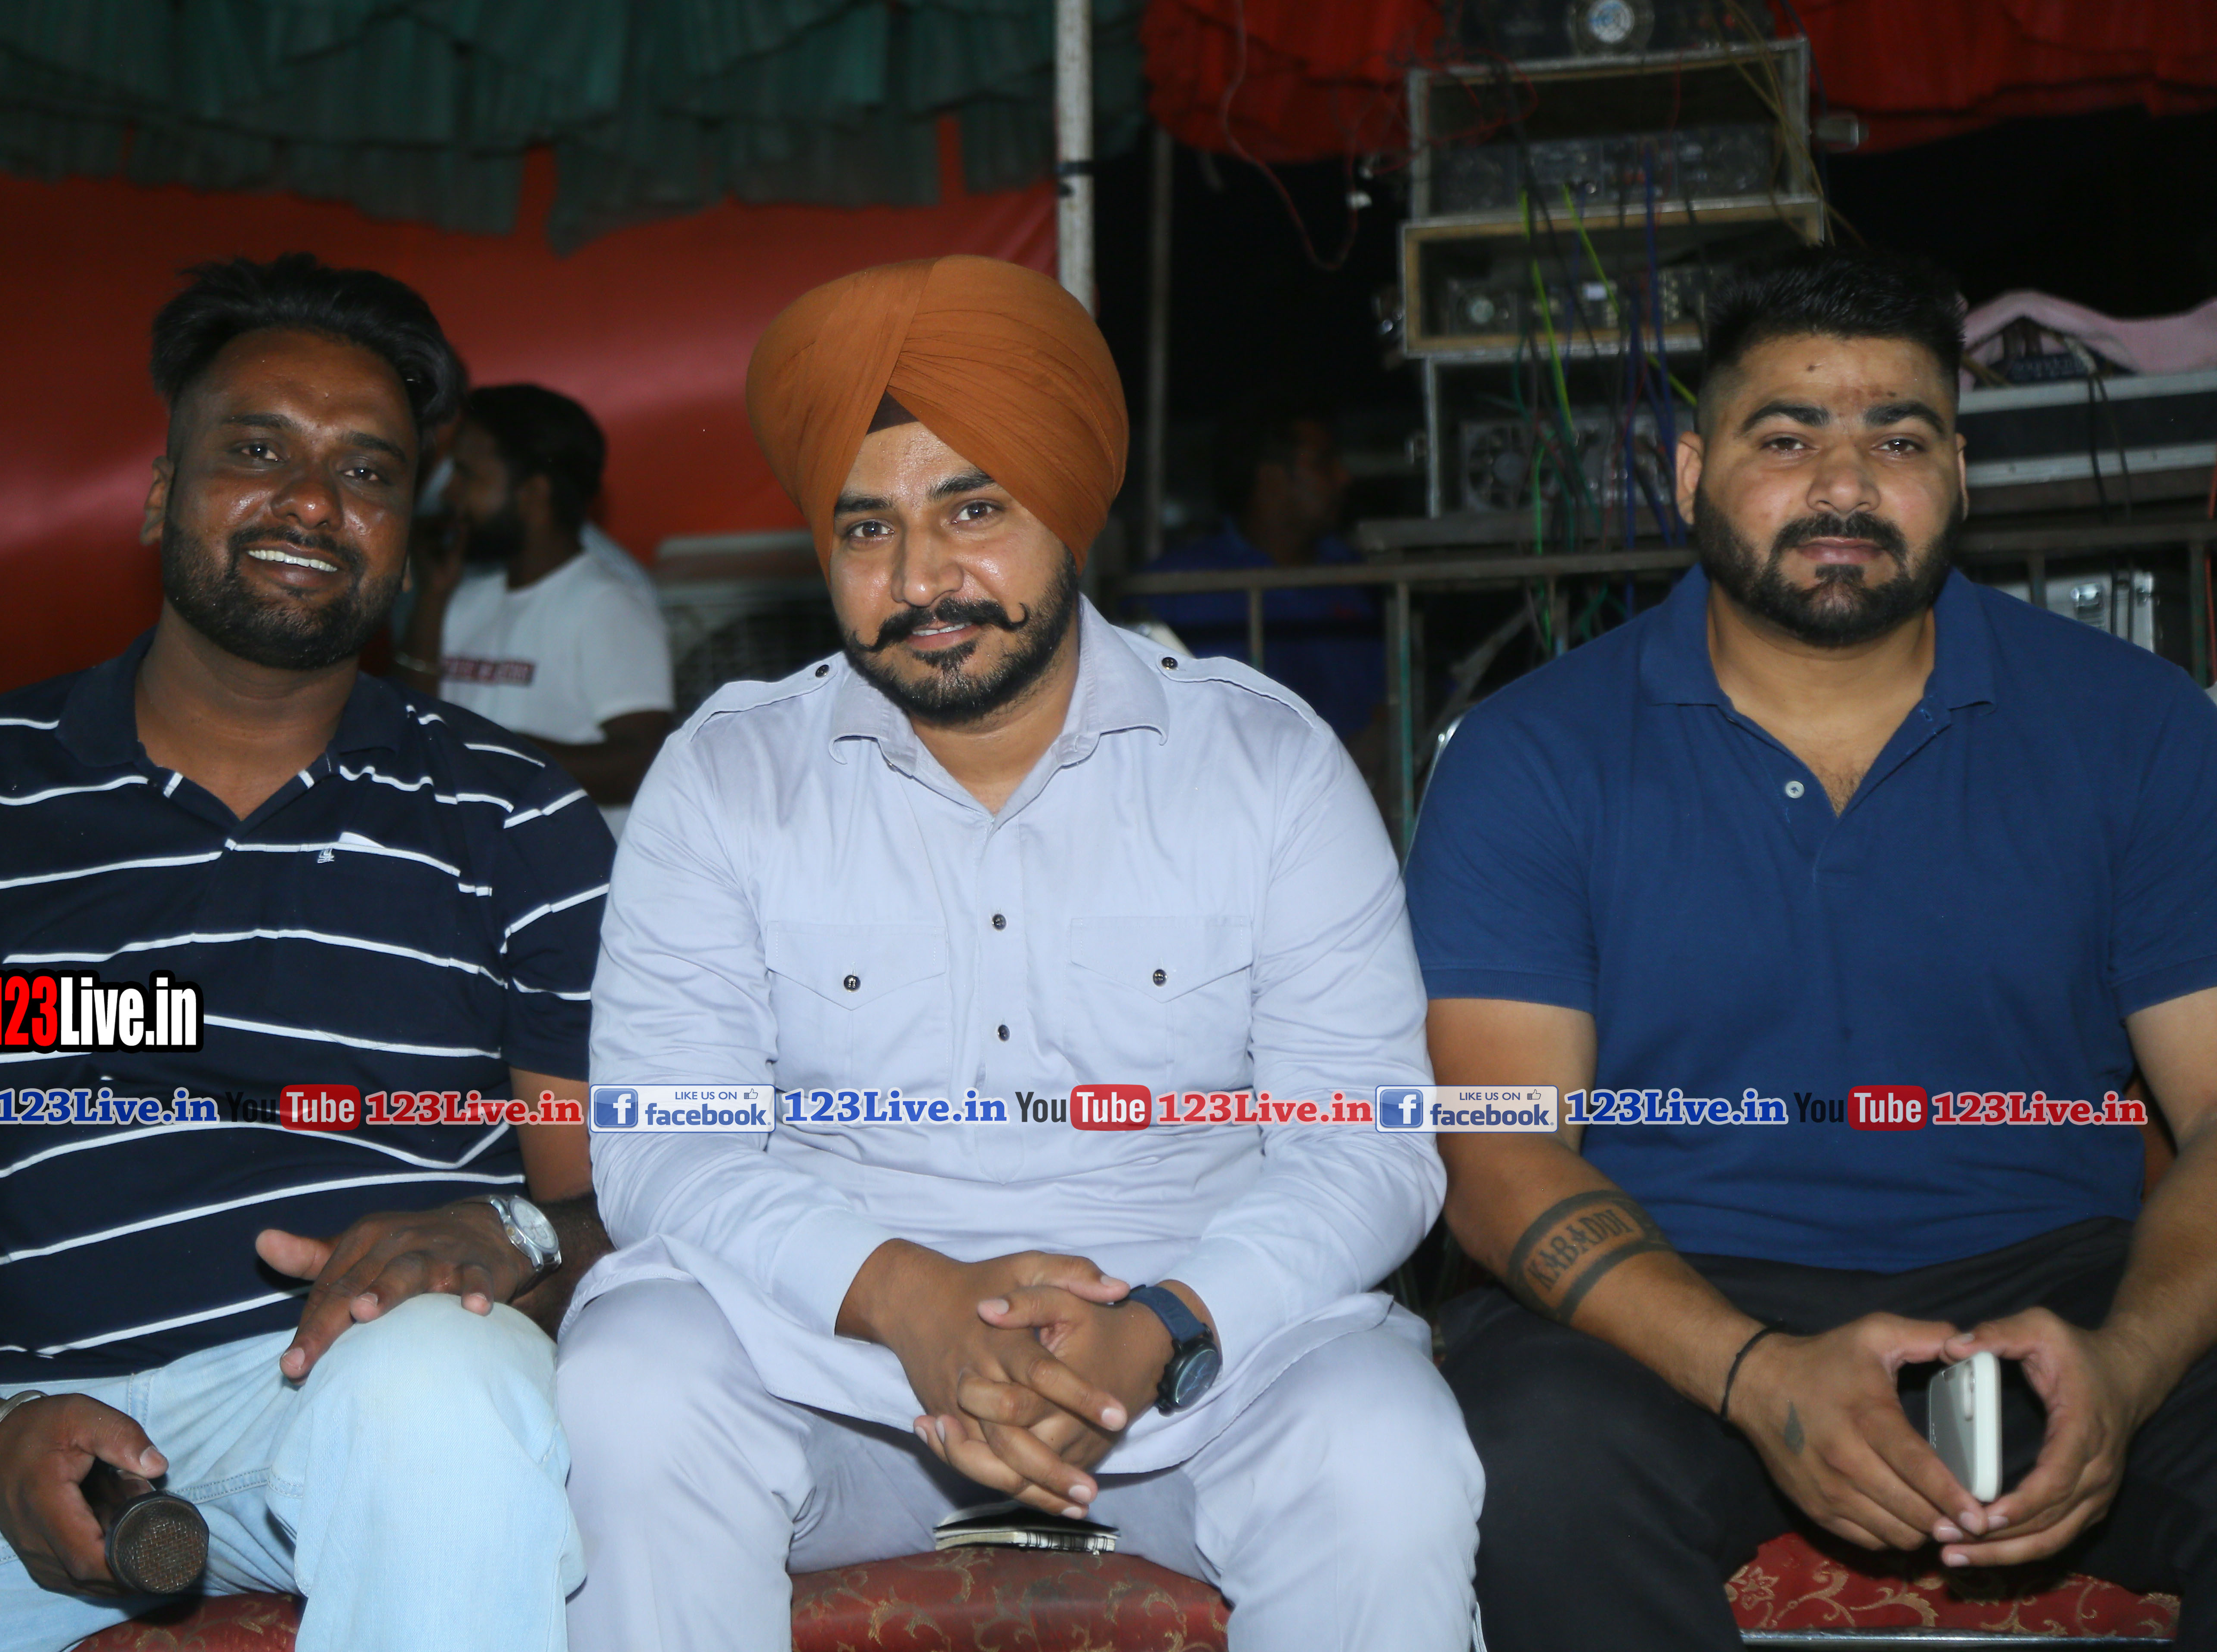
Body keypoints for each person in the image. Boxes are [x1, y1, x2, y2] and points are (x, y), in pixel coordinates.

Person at [553, 255, 1480, 1652]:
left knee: (1385, 1453)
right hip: (836, 1371)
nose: (922, 579)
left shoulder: (1263, 763)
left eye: (973, 510)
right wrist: (909, 1298)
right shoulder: (730, 776)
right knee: (631, 1387)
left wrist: (1161, 1322)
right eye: (868, 529)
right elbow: (663, 1145)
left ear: (1069, 507)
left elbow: (1369, 1145)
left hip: (1195, 1377)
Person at [0, 253, 616, 1652]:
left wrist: (506, 1234)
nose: (313, 503)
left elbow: (607, 1208)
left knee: (438, 1385)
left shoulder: (515, 820)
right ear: (160, 495)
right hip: (23, 1424)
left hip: (374, 1381)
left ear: (405, 540)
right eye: (257, 451)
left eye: (369, 473)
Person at [1405, 246, 2217, 1652]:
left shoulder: (2137, 727)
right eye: (1786, 440)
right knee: (1524, 1462)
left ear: (1959, 474)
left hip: (2055, 1293)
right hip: (1676, 1293)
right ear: (1689, 474)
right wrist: (1756, 1374)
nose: (1845, 488)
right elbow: (1497, 1153)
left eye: (1898, 441)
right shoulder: (1533, 755)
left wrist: (2131, 1365)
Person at [396, 382, 675, 836]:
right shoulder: (464, 596)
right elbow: (411, 722)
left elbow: (639, 761)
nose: (449, 493)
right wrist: (431, 598)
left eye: (467, 475)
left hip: (568, 869)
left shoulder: (608, 604)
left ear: (532, 495)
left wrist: (491, 750)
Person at [1139, 400, 1385, 743]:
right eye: (1322, 462)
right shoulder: (1175, 589)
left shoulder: (1365, 578)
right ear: (1270, 477)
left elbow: (1402, 696)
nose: (1344, 477)